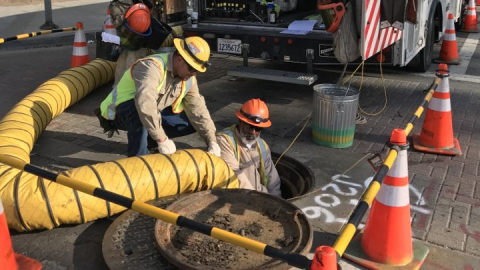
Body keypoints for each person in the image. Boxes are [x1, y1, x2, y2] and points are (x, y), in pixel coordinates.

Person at [96, 36, 221, 157]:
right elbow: (145, 103)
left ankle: (150, 142)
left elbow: (198, 110)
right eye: (192, 68)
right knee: (139, 108)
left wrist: (212, 141)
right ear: (180, 59)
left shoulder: (188, 79)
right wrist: (162, 139)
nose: (193, 74)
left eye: (197, 71)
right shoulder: (151, 67)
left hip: (149, 112)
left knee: (191, 122)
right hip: (117, 113)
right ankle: (138, 159)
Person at [216, 99, 282, 197]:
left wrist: (277, 202)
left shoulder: (262, 146)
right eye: (250, 126)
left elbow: (272, 179)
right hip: (237, 198)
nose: (253, 132)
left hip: (261, 198)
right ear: (240, 121)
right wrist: (255, 201)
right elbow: (234, 174)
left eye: (258, 128)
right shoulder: (224, 141)